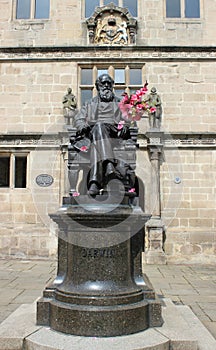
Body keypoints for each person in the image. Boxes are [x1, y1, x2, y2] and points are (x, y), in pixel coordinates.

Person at [74, 74, 131, 196]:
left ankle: (95, 182)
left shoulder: (119, 102)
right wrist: (82, 126)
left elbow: (127, 118)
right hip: (95, 134)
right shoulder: (89, 103)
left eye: (109, 84)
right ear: (97, 86)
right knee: (98, 132)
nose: (106, 86)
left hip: (115, 135)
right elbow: (79, 119)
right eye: (103, 83)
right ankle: (106, 168)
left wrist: (126, 126)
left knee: (98, 130)